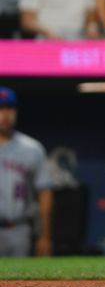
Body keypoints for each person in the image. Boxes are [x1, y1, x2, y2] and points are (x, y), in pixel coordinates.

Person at [0, 86, 53, 257]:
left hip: (19, 229)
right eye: (0, 109)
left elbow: (44, 193)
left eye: (10, 108)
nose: (5, 114)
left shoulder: (32, 148)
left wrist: (45, 236)